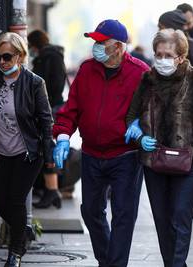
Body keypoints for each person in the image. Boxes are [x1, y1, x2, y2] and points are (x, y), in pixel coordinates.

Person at [125, 29, 193, 267]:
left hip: (189, 159)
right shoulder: (147, 80)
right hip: (154, 159)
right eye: (158, 54)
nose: (162, 60)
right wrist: (139, 137)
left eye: (167, 55)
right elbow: (131, 115)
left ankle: (176, 263)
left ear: (181, 56)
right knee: (161, 219)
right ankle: (173, 263)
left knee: (181, 216)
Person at [52, 19, 149, 267]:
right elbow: (70, 109)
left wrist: (141, 124)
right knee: (91, 211)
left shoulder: (140, 73)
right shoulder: (86, 70)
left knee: (123, 215)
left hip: (125, 155)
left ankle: (114, 264)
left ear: (118, 46)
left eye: (100, 42)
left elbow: (153, 110)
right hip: (92, 154)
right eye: (94, 41)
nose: (95, 46)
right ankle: (107, 260)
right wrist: (62, 136)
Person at [0, 32, 54, 267]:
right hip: (1, 152)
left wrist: (49, 156)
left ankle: (15, 253)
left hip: (27, 153)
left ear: (20, 56)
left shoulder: (34, 83)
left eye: (7, 57)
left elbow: (46, 120)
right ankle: (23, 229)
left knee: (15, 200)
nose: (1, 62)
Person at [27, 29, 67, 209]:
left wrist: (44, 102)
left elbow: (50, 84)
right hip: (50, 106)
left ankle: (52, 190)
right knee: (47, 145)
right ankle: (52, 191)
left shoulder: (49, 56)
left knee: (48, 146)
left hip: (49, 108)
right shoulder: (53, 55)